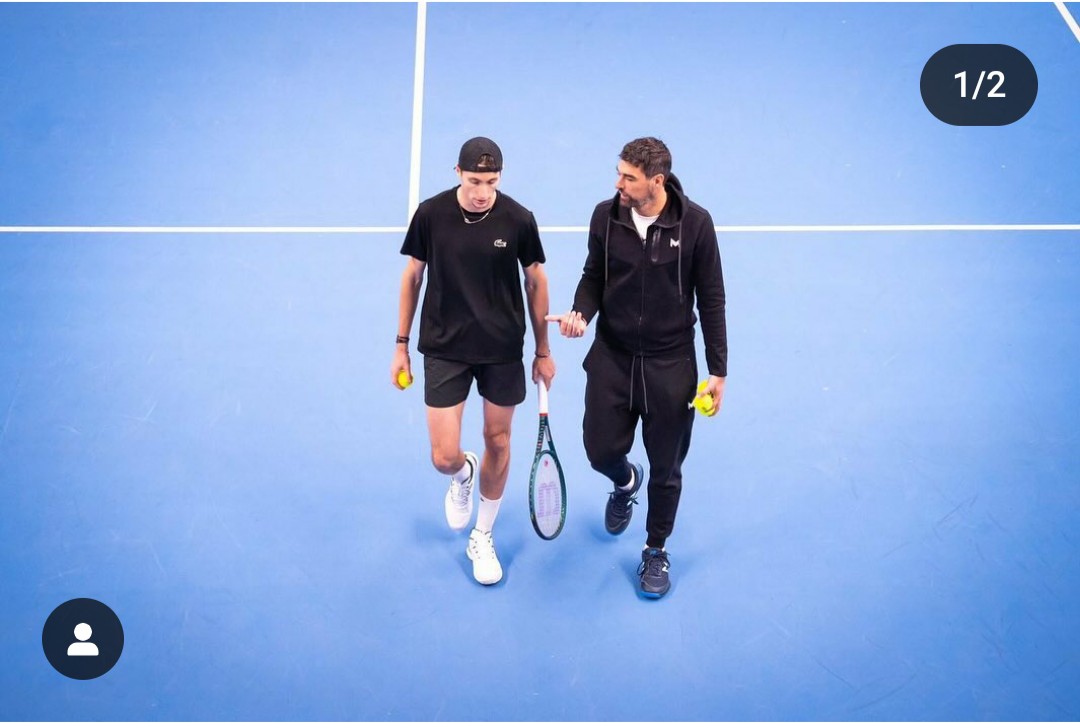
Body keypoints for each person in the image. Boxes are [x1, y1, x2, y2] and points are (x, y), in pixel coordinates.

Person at [548, 137, 726, 598]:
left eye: (629, 177)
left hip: (671, 365)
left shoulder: (696, 226)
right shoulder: (605, 216)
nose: (618, 183)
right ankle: (626, 481)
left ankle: (655, 549)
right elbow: (593, 275)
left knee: (667, 467)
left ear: (656, 181)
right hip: (613, 355)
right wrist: (581, 313)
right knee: (599, 450)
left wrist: (718, 371)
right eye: (619, 173)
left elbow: (711, 300)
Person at [391, 137, 556, 586]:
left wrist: (542, 351)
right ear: (457, 174)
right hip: (445, 346)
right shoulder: (431, 214)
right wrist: (401, 343)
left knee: (498, 441)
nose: (483, 190)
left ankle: (482, 534)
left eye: (492, 181)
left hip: (502, 350)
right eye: (474, 180)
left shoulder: (519, 219)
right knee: (442, 455)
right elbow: (413, 276)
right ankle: (463, 473)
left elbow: (536, 281)